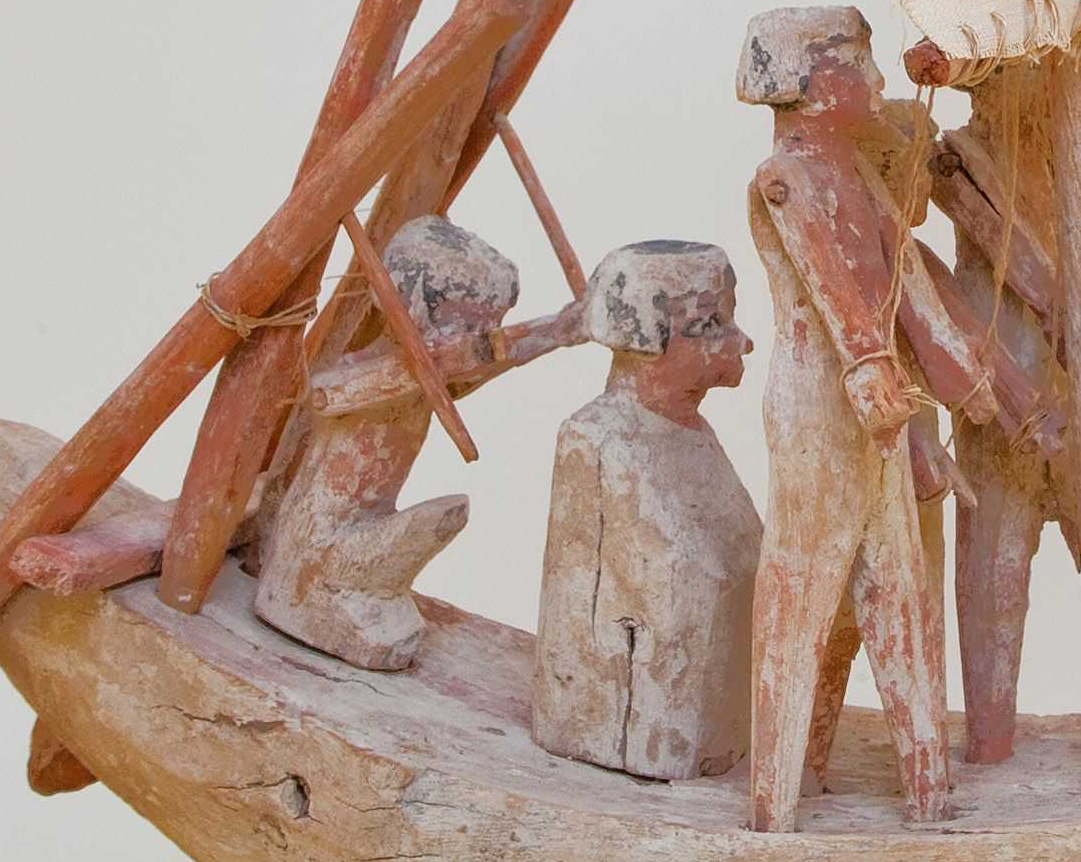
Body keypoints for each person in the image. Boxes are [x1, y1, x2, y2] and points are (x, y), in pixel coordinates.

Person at [734, 6, 1021, 829]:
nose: (876, 79)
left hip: (879, 407)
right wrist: (867, 367)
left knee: (897, 586)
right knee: (803, 587)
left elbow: (907, 285)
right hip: (821, 406)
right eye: (859, 64)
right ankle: (773, 802)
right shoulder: (787, 178)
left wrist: (960, 382)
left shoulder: (852, 169)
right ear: (814, 82)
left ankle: (928, 793)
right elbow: (832, 288)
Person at [531, 241, 763, 780]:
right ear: (643, 342)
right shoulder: (596, 440)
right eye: (710, 325)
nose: (743, 342)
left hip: (699, 731)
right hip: (631, 731)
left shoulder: (691, 433)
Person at [249, 215, 517, 671]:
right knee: (446, 514)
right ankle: (319, 595)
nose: (479, 342)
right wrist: (422, 372)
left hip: (364, 533)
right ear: (411, 304)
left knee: (446, 516)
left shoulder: (431, 380)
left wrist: (560, 332)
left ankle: (362, 592)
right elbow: (330, 392)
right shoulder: (363, 376)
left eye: (491, 326)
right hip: (323, 546)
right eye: (470, 325)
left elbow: (493, 359)